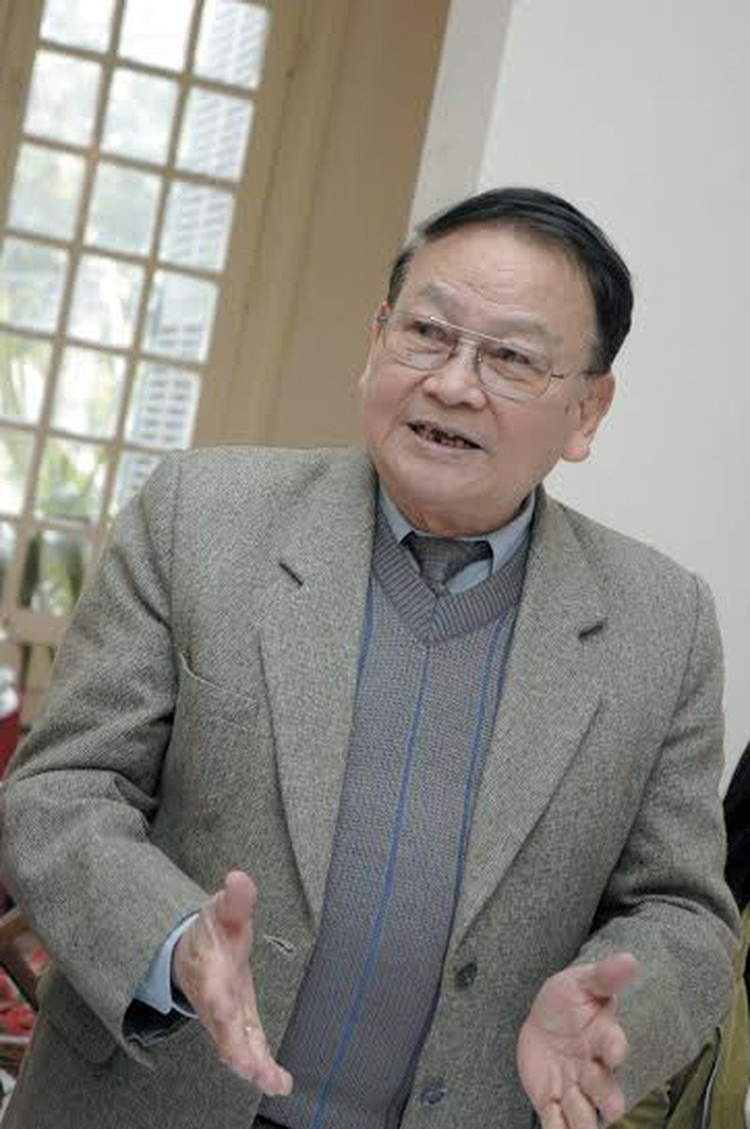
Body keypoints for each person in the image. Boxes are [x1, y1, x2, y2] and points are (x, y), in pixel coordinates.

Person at [0, 188, 739, 1129]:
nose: (454, 384)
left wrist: (620, 1011)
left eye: (511, 358)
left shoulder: (663, 625)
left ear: (587, 411)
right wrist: (171, 937)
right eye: (427, 332)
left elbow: (685, 909)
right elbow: (64, 786)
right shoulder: (199, 517)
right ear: (377, 338)